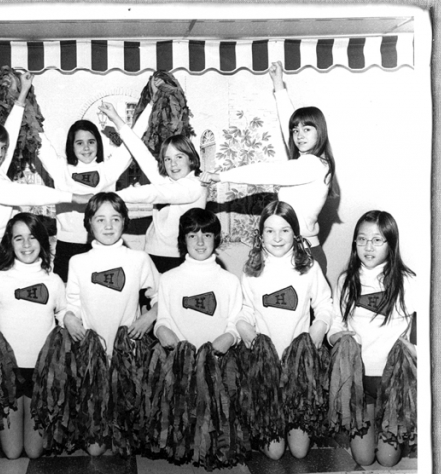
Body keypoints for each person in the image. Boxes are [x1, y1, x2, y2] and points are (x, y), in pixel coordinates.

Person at [0, 71, 88, 316]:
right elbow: (23, 194)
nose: (0, 154)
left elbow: (9, 139)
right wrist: (71, 197)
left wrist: (21, 97)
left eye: (2, 148)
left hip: (3, 252)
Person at [200, 61, 337, 277]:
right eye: (296, 130)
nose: (299, 135)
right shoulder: (311, 162)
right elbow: (287, 125)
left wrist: (221, 175)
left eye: (307, 129)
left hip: (305, 252)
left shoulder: (313, 166)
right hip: (292, 248)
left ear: (320, 132)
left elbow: (265, 172)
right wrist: (279, 87)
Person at [63, 192, 160, 455]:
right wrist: (69, 318)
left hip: (127, 357)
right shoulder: (78, 262)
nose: (108, 226)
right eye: (100, 219)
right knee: (95, 450)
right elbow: (70, 304)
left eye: (115, 219)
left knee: (124, 445)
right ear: (89, 224)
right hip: (92, 358)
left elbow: (164, 297)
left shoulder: (138, 259)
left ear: (124, 222)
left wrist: (149, 316)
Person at [234, 201, 332, 460]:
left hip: (299, 370)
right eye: (270, 231)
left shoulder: (309, 267)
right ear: (261, 235)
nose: (277, 238)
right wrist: (243, 325)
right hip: (267, 370)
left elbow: (324, 305)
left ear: (295, 233)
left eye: (285, 230)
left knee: (299, 452)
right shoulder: (252, 270)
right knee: (275, 454)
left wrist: (318, 330)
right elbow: (245, 309)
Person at [0, 213, 66, 459]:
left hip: (41, 373)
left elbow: (63, 310)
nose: (26, 245)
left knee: (33, 452)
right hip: (7, 374)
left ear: (43, 242)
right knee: (12, 453)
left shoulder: (53, 281)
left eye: (32, 238)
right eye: (18, 238)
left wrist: (69, 318)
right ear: (9, 243)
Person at [327, 210, 416, 467]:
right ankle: (369, 424)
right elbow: (336, 321)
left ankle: (385, 424)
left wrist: (413, 348)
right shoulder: (346, 280)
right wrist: (338, 337)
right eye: (362, 239)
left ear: (391, 243)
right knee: (364, 459)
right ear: (354, 243)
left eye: (377, 240)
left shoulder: (407, 282)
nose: (368, 246)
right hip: (359, 381)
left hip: (393, 383)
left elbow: (424, 322)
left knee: (387, 460)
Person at [36, 95, 153, 282]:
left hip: (102, 245)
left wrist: (152, 103)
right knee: (67, 305)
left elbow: (134, 138)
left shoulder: (108, 168)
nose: (86, 148)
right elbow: (39, 141)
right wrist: (22, 101)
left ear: (98, 143)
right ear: (71, 145)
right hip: (68, 248)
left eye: (91, 141)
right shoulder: (61, 169)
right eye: (79, 142)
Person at [99, 101, 207, 273]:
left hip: (179, 258)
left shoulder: (195, 186)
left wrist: (110, 196)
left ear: (191, 158)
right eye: (167, 159)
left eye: (179, 157)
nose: (173, 164)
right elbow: (141, 154)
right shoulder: (169, 181)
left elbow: (154, 193)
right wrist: (116, 119)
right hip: (151, 252)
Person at [154, 207, 242, 352]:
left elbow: (234, 323)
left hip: (218, 362)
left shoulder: (231, 281)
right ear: (183, 239)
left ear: (216, 238)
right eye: (193, 236)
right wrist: (161, 329)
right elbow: (163, 319)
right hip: (179, 361)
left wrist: (230, 336)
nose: (200, 242)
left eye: (207, 235)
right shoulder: (168, 279)